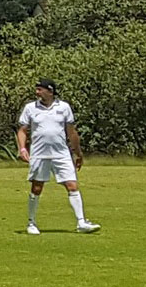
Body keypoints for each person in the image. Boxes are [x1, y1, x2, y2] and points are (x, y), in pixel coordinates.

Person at [17, 80, 95, 235]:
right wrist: (23, 148)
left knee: (72, 185)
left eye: (40, 90)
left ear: (50, 91)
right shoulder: (30, 108)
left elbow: (71, 132)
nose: (37, 92)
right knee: (37, 188)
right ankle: (31, 223)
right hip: (39, 154)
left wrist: (78, 153)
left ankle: (81, 222)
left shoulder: (64, 107)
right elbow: (22, 131)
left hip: (61, 153)